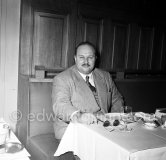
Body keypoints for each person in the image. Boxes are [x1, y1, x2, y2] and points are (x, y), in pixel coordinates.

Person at [52, 41, 124, 140]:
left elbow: (117, 99)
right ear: (75, 58)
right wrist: (79, 116)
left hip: (105, 129)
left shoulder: (105, 76)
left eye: (90, 57)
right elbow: (60, 105)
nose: (86, 61)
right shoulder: (62, 78)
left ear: (95, 58)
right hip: (74, 131)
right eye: (81, 57)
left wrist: (113, 118)